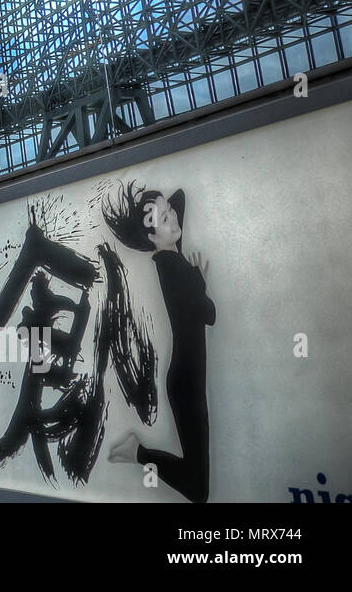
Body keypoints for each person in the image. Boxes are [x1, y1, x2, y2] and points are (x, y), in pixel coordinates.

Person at [104, 185, 215, 503]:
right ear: (153, 237)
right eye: (165, 218)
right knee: (198, 490)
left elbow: (180, 198)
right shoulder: (179, 270)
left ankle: (137, 453)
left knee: (198, 480)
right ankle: (137, 453)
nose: (174, 216)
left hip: (186, 380)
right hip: (187, 384)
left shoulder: (167, 260)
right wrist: (200, 284)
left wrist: (160, 210)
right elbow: (210, 315)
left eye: (170, 211)